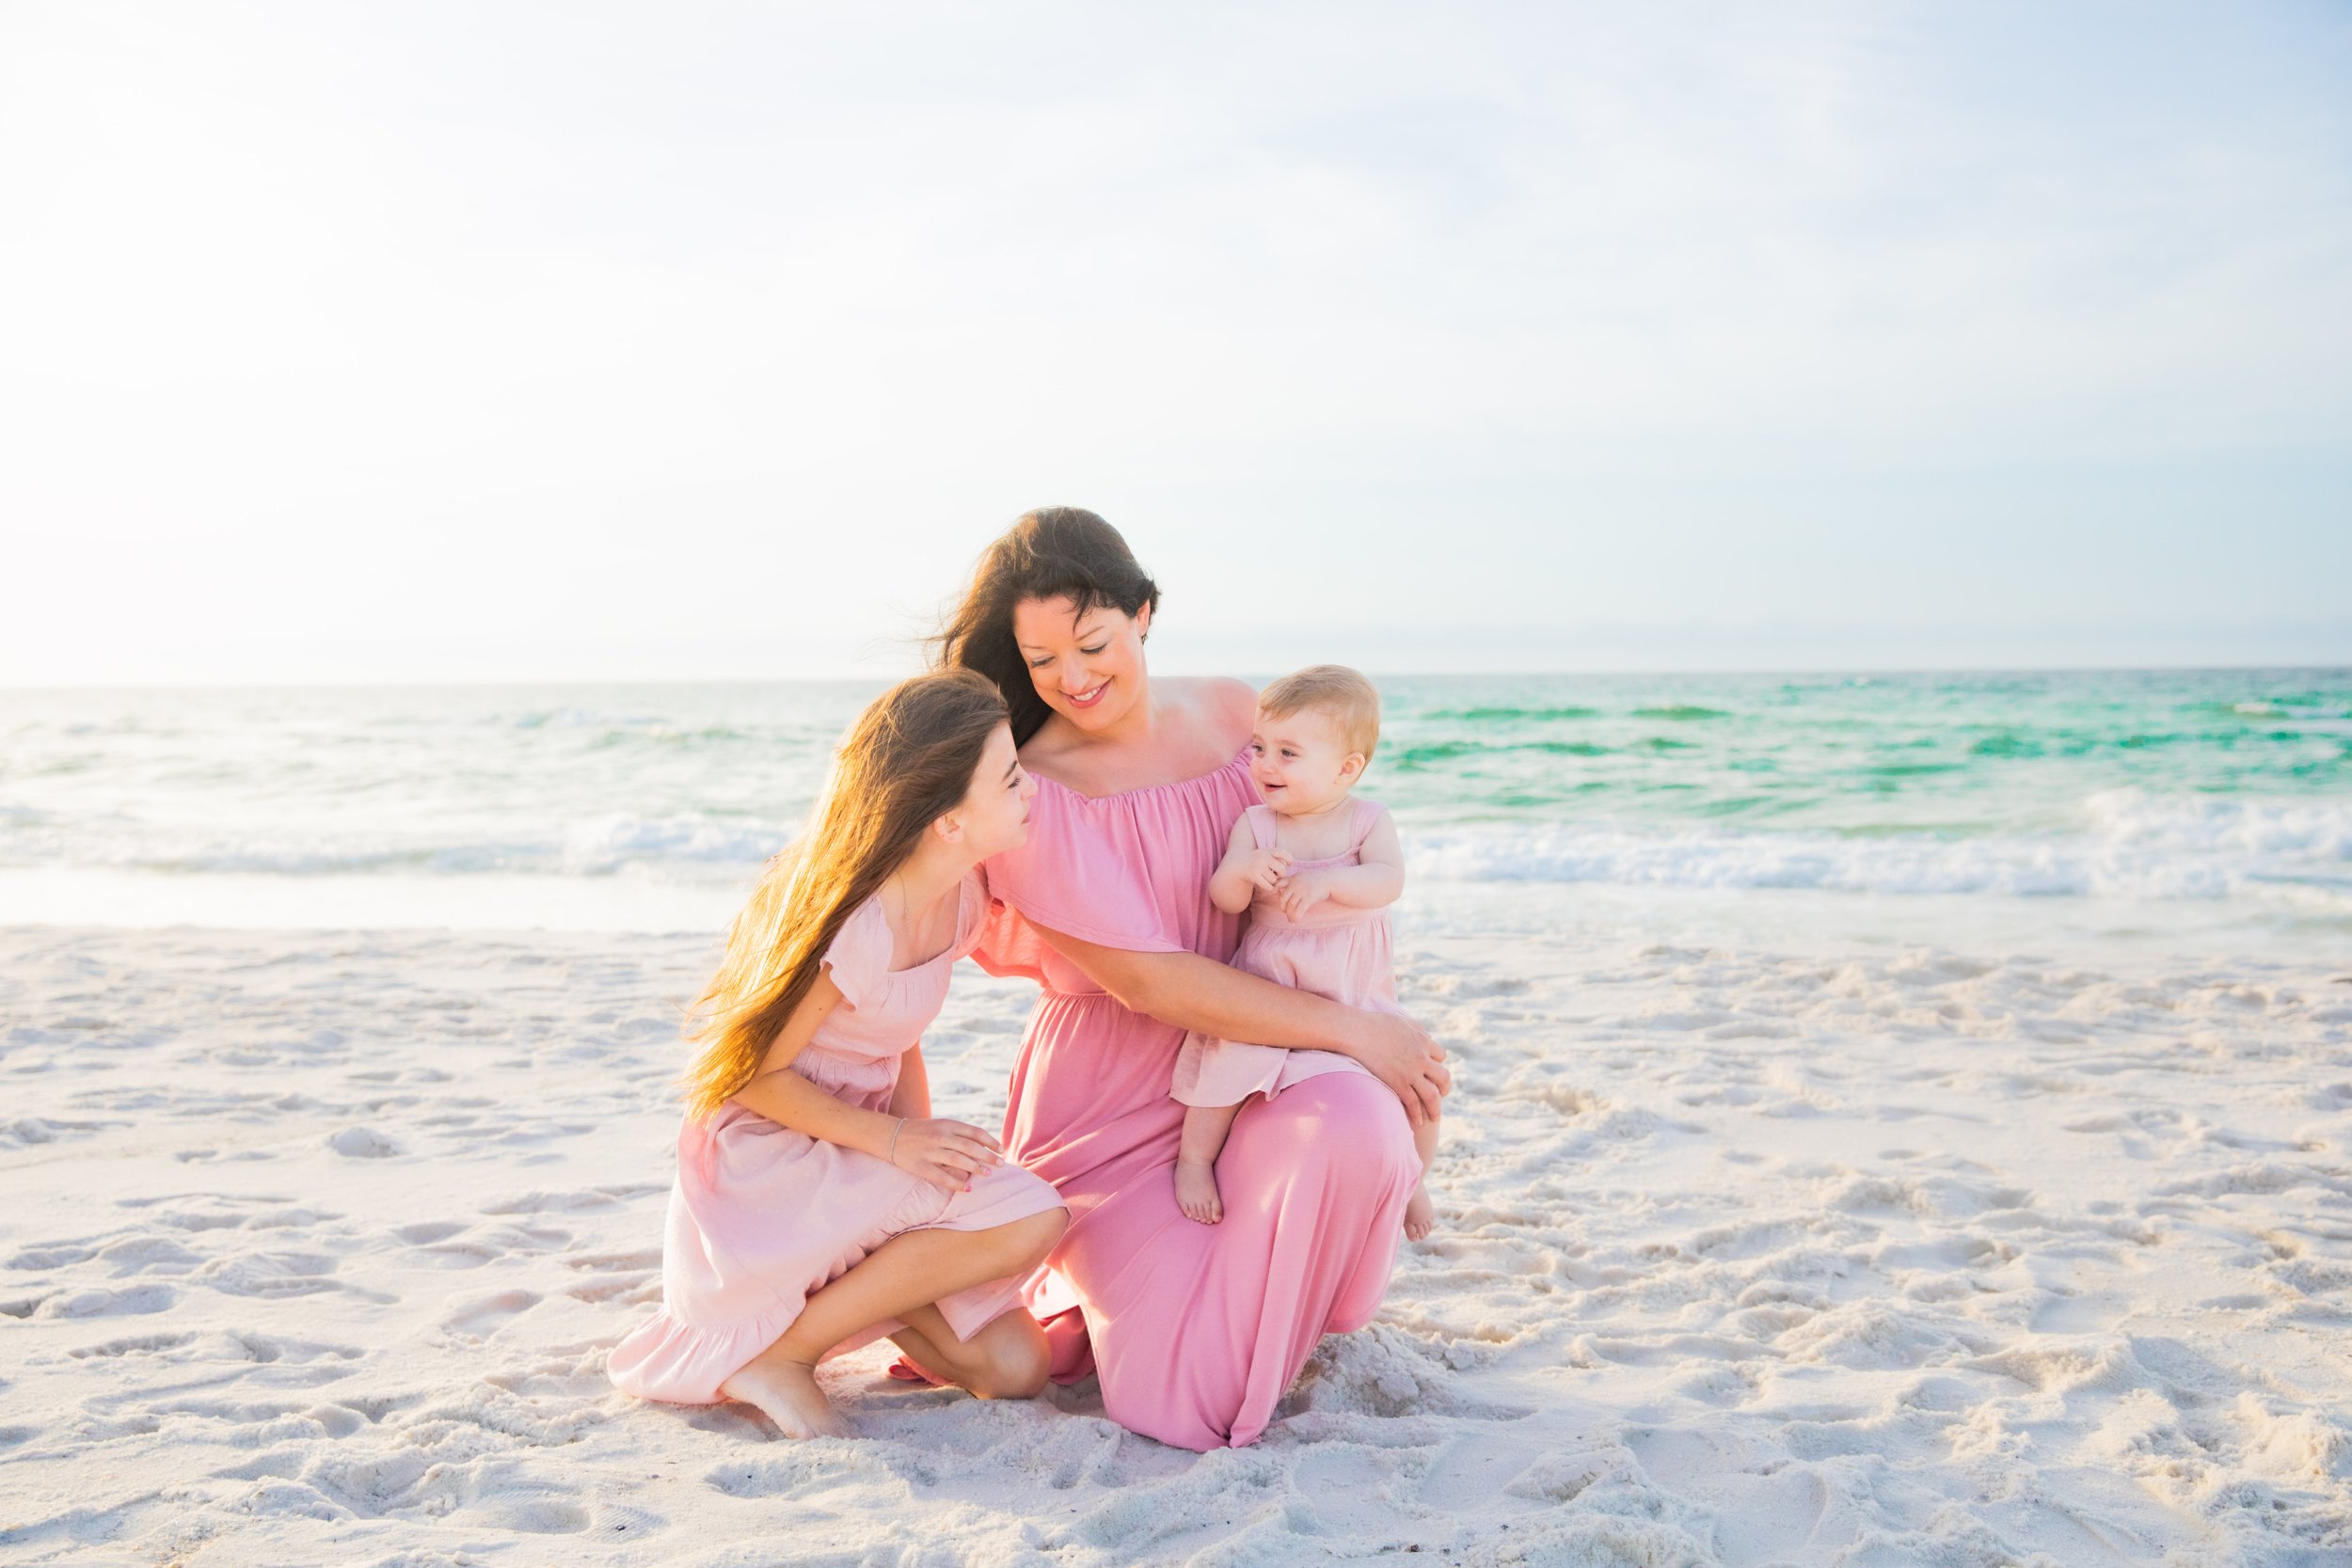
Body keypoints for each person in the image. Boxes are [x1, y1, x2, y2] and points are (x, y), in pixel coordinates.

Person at [932, 507, 1450, 1450]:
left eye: (1091, 642)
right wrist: (1359, 1034)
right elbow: (1155, 985)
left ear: (1143, 614)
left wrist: (1356, 987)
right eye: (1041, 658)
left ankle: (1279, 1311)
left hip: (1264, 1052)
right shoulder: (1030, 786)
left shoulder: (1230, 714)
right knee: (1181, 1400)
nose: (1072, 677)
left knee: (1363, 1127)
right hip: (1116, 1101)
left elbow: (1319, 848)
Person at [607, 671, 1069, 1438]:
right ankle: (784, 1353)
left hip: (860, 1151)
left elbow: (902, 1038)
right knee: (1036, 1216)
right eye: (1011, 776)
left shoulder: (961, 897)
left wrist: (919, 1171)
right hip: (775, 1163)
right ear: (949, 820)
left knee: (1016, 1368)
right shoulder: (855, 921)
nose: (1031, 789)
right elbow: (752, 1077)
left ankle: (838, 1300)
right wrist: (897, 1145)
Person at [1171, 665, 1438, 1242]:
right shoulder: (1257, 824)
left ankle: (1412, 1175)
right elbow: (1223, 897)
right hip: (1274, 978)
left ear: (1347, 769)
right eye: (1261, 748)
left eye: (1288, 753)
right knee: (1226, 1064)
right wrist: (1240, 871)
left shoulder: (1368, 820)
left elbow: (1389, 882)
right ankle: (1195, 1161)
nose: (1265, 765)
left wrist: (1330, 883)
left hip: (1351, 985)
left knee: (1419, 1079)